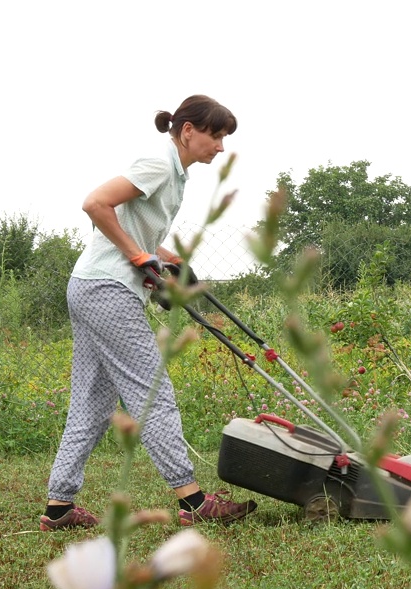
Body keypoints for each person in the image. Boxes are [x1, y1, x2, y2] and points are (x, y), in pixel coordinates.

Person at [41, 95, 257, 531]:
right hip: (106, 290)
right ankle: (192, 500)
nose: (219, 147)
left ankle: (58, 507)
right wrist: (136, 257)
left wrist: (166, 260)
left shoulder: (175, 174)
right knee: (151, 391)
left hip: (90, 286)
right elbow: (95, 204)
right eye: (216, 136)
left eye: (224, 139)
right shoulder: (159, 163)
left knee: (92, 403)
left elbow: (134, 228)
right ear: (189, 130)